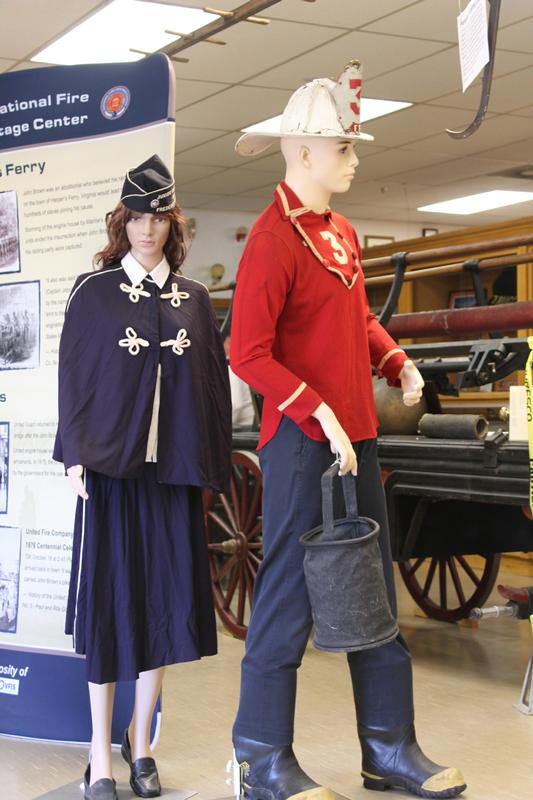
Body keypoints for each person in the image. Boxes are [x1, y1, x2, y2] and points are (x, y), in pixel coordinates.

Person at [230, 62, 466, 799]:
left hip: (354, 438)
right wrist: (315, 406)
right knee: (288, 597)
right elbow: (247, 352)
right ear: (302, 152)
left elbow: (353, 316)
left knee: (370, 589)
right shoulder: (270, 241)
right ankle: (261, 758)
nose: (354, 160)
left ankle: (387, 749)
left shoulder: (339, 234)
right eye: (343, 149)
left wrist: (392, 357)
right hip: (302, 445)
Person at [53, 155, 231, 800]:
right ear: (121, 220)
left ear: (172, 224)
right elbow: (73, 379)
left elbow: (211, 388)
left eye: (158, 217)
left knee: (161, 605)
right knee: (109, 605)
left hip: (172, 476)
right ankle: (99, 752)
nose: (147, 228)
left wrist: (208, 468)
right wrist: (74, 453)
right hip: (108, 472)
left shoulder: (195, 299)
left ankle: (141, 742)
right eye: (137, 216)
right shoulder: (92, 293)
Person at [224, 335, 256, 429]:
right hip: (249, 425)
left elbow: (235, 405)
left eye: (229, 343)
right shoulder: (246, 366)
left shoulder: (232, 369)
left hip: (243, 428)